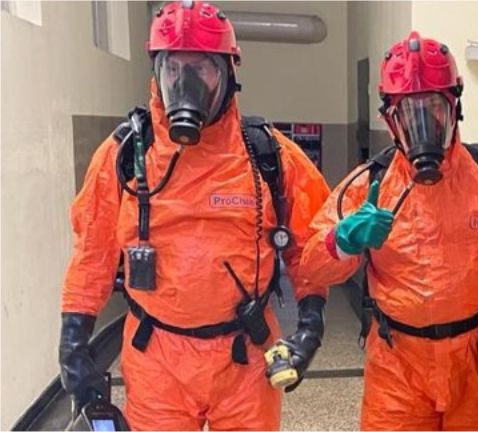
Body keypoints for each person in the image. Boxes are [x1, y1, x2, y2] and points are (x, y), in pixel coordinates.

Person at [58, 1, 330, 429]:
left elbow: (310, 249)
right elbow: (92, 255)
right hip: (157, 360)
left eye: (202, 67)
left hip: (245, 358)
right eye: (173, 68)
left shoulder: (268, 155)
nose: (185, 82)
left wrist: (310, 327)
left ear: (228, 74)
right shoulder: (125, 155)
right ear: (157, 72)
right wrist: (73, 346)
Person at [298, 32, 478, 431]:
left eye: (434, 108)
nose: (424, 125)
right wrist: (343, 240)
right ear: (391, 119)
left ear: (454, 108)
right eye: (409, 112)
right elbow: (311, 267)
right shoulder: (369, 185)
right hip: (397, 367)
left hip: (475, 363)